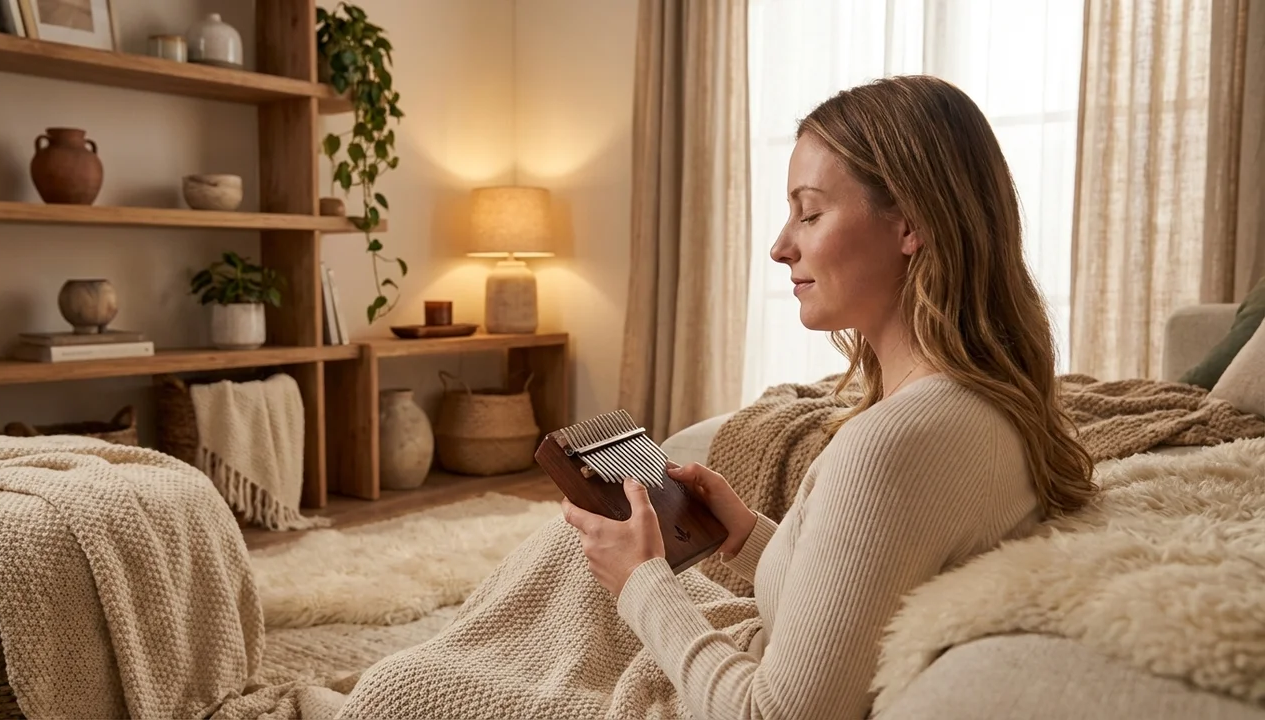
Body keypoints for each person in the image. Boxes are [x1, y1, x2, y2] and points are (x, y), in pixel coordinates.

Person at [338, 75, 1096, 720]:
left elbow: (777, 711)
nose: (780, 245)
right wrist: (748, 535)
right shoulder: (984, 403)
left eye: (810, 211)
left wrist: (641, 584)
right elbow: (863, 589)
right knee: (560, 561)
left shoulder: (894, 444)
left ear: (911, 224)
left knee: (402, 688)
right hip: (744, 645)